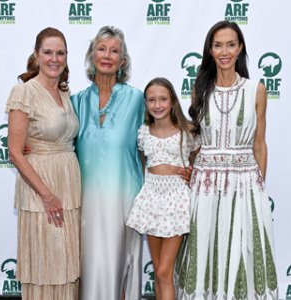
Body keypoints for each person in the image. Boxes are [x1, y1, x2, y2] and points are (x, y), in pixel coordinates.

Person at [71, 26, 191, 300]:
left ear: (122, 61)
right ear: (91, 56)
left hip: (128, 199)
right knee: (89, 264)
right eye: (101, 49)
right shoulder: (75, 101)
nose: (107, 55)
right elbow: (62, 142)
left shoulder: (138, 98)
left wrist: (187, 165)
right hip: (86, 201)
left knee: (122, 264)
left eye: (115, 51)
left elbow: (168, 133)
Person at [175, 20, 278, 300]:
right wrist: (192, 170)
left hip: (245, 184)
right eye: (218, 45)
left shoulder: (256, 89)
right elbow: (196, 143)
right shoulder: (200, 89)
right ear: (210, 50)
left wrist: (258, 186)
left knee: (243, 249)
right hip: (206, 185)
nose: (224, 51)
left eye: (231, 44)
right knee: (205, 246)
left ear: (240, 48)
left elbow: (259, 143)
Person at [5, 27, 81, 300]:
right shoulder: (24, 92)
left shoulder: (65, 92)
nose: (54, 58)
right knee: (45, 263)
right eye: (48, 52)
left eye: (60, 53)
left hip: (68, 187)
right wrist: (47, 195)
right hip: (41, 189)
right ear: (36, 55)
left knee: (67, 262)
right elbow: (14, 152)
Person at [126, 77, 200, 300]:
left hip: (176, 200)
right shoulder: (142, 133)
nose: (157, 105)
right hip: (151, 199)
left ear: (172, 102)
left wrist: (192, 174)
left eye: (163, 99)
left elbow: (199, 164)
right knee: (159, 273)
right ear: (146, 104)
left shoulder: (187, 132)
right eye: (151, 100)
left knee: (165, 272)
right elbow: (141, 165)